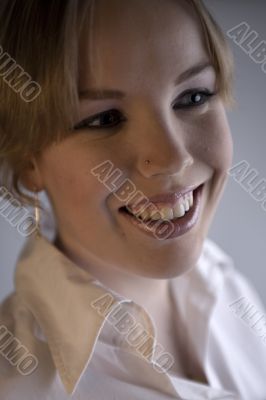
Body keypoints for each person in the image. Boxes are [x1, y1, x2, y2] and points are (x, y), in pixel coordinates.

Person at [0, 0, 265, 399]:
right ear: (27, 160)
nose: (173, 157)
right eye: (105, 119)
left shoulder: (229, 288)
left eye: (192, 97)